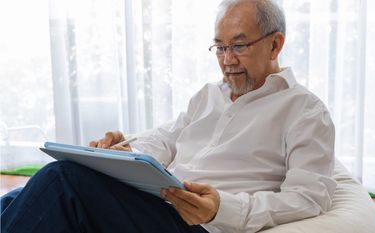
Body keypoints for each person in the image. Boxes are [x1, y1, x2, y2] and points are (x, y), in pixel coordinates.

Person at [1, 0, 337, 232]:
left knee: (62, 180)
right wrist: (126, 152)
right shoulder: (208, 96)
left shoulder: (305, 111)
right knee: (16, 198)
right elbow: (165, 138)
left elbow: (308, 198)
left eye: (239, 46)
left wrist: (224, 207)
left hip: (201, 225)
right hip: (160, 206)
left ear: (275, 45)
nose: (226, 60)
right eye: (219, 47)